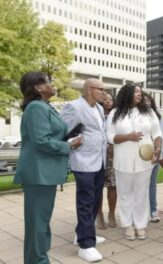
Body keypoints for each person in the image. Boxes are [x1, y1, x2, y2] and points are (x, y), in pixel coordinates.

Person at [14, 72, 82, 264]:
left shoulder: (43, 106)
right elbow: (41, 141)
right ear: (37, 87)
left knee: (41, 222)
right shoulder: (36, 107)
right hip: (38, 175)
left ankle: (39, 259)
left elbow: (48, 136)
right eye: (48, 81)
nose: (52, 84)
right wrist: (69, 145)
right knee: (38, 224)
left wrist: (67, 140)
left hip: (44, 174)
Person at [106, 84, 162, 241]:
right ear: (127, 94)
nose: (140, 94)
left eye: (140, 92)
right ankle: (128, 225)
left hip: (145, 161)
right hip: (123, 161)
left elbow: (157, 133)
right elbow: (110, 137)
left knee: (141, 193)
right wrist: (127, 137)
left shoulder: (149, 112)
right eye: (136, 92)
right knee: (124, 194)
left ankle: (140, 225)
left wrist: (157, 148)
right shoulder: (115, 113)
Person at [61, 78, 108, 262]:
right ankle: (86, 245)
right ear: (90, 89)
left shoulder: (98, 107)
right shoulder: (74, 107)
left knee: (95, 200)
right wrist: (71, 143)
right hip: (83, 160)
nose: (105, 93)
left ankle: (82, 233)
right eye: (102, 89)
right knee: (86, 202)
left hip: (99, 160)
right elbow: (62, 131)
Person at [96, 92, 117, 229]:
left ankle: (112, 214)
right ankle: (99, 215)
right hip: (97, 155)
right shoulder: (95, 114)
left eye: (110, 99)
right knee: (98, 187)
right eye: (105, 99)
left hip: (113, 155)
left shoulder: (116, 115)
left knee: (113, 185)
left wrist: (112, 145)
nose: (108, 101)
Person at [143, 92, 161, 222]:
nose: (146, 102)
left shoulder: (154, 115)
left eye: (148, 100)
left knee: (152, 184)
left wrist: (158, 150)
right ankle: (142, 212)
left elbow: (158, 135)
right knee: (141, 185)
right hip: (141, 154)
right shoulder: (136, 116)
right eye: (143, 100)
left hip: (154, 154)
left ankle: (153, 210)